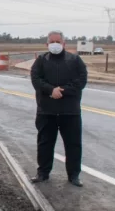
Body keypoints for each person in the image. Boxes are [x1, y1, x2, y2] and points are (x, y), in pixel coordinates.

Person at [30, 30, 88, 187]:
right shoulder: (41, 60)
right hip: (46, 111)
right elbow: (35, 79)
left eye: (58, 41)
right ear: (47, 44)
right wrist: (50, 90)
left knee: (73, 144)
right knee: (45, 143)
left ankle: (74, 175)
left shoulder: (75, 60)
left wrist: (62, 90)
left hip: (70, 112)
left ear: (64, 43)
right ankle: (43, 173)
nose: (55, 44)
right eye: (52, 42)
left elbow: (81, 80)